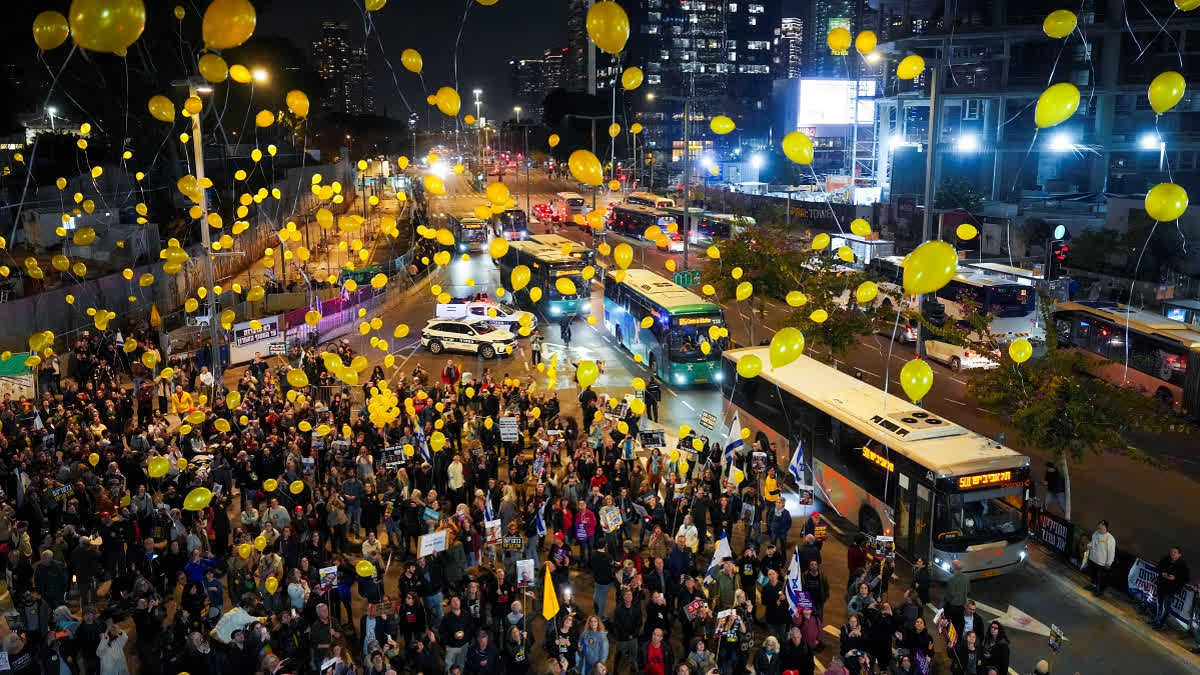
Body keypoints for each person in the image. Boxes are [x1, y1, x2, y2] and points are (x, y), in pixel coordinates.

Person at [1152, 546, 1190, 629]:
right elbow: (1158, 567)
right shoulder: (1166, 560)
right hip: (1161, 585)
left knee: (1166, 606)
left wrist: (1175, 578)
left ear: (1179, 555)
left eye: (1175, 552)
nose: (1172, 553)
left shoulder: (1182, 565)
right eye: (1172, 552)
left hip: (1171, 589)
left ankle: (1161, 623)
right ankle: (1157, 619)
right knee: (1159, 603)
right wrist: (1162, 573)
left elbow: (1185, 578)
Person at [1086, 519, 1116, 596]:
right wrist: (1089, 545)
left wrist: (1109, 562)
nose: (1099, 528)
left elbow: (1111, 552)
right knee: (1093, 574)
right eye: (1099, 526)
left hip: (1102, 563)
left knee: (1102, 578)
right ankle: (1093, 586)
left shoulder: (1110, 539)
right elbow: (1093, 543)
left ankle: (1100, 591)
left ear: (1106, 528)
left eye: (1101, 526)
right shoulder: (1095, 534)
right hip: (1093, 559)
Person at [943, 559, 969, 635]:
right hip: (961, 607)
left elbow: (950, 595)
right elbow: (967, 591)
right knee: (960, 626)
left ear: (953, 567)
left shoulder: (951, 579)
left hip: (952, 608)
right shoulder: (966, 578)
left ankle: (951, 643)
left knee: (950, 627)